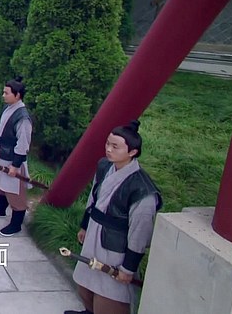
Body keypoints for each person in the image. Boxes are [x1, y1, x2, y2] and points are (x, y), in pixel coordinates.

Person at [66, 121, 162, 314]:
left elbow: (140, 232)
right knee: (85, 283)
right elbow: (93, 199)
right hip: (94, 232)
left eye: (115, 146)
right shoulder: (105, 166)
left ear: (132, 152)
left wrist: (128, 268)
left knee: (109, 293)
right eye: (107, 144)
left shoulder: (142, 190)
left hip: (115, 246)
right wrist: (85, 226)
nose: (108, 149)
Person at [0, 77, 33, 236]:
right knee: (0, 183)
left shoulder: (23, 117)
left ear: (17, 95)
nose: (3, 95)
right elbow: (1, 131)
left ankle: (16, 224)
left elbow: (23, 143)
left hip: (12, 158)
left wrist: (15, 165)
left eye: (6, 93)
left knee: (15, 191)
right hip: (2, 153)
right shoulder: (8, 108)